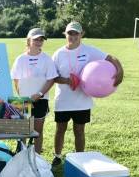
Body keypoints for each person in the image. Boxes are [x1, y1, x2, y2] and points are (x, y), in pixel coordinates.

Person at [51, 21, 124, 166]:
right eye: (70, 33)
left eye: (76, 33)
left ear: (81, 34)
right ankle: (57, 156)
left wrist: (120, 70)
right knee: (60, 129)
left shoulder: (89, 51)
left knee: (79, 130)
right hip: (63, 100)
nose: (73, 36)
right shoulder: (58, 54)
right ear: (65, 34)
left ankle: (80, 159)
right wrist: (67, 80)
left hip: (82, 100)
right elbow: (52, 77)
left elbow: (110, 58)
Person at [10, 28, 58, 154]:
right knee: (22, 131)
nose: (39, 41)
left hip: (41, 99)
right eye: (36, 39)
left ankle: (37, 157)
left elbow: (51, 79)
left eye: (41, 39)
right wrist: (22, 97)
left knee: (38, 131)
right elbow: (16, 80)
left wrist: (40, 94)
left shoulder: (47, 59)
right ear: (29, 40)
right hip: (23, 100)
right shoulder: (20, 59)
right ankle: (21, 156)